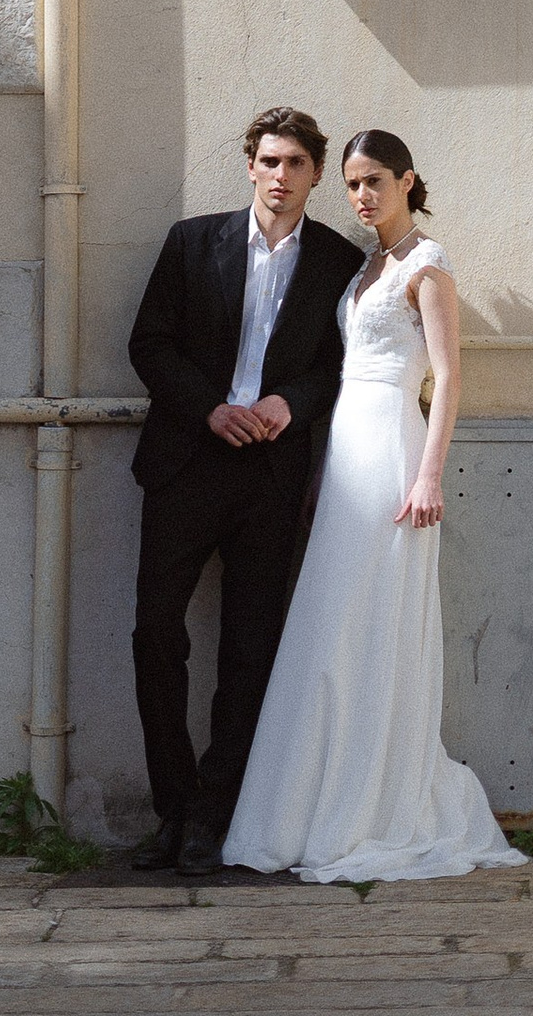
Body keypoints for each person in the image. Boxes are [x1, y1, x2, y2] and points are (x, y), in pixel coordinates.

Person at [222, 131, 522, 883]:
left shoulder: (427, 265)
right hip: (344, 460)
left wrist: (428, 477)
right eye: (352, 184)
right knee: (327, 630)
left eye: (374, 182)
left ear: (407, 180)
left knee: (374, 630)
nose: (361, 196)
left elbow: (448, 379)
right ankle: (309, 808)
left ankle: (374, 808)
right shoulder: (364, 269)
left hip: (393, 456)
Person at [126, 108, 362, 877]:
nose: (282, 176)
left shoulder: (337, 260)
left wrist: (289, 402)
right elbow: (148, 343)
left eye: (297, 163)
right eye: (269, 161)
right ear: (249, 166)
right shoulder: (193, 243)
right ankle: (172, 806)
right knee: (155, 631)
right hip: (188, 463)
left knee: (251, 649)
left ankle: (215, 813)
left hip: (271, 474)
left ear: (316, 174)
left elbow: (340, 365)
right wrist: (209, 409)